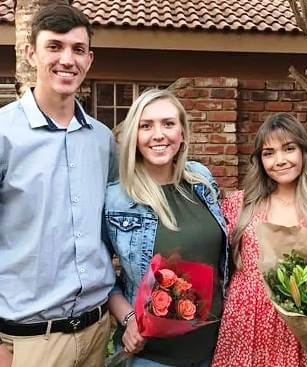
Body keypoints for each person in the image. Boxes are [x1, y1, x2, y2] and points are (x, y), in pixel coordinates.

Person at [0, 4, 117, 367]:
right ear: (30, 52)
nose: (67, 59)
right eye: (55, 46)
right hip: (31, 342)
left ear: (89, 59)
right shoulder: (3, 133)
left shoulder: (102, 140)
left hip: (98, 333)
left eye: (78, 50)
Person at [104, 89, 229, 367]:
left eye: (168, 124)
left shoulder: (202, 180)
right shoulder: (116, 198)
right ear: (135, 136)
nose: (158, 135)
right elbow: (98, 274)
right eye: (146, 126)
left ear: (182, 133)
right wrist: (127, 319)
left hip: (215, 349)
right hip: (151, 355)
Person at [212, 112, 307, 367]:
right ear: (260, 160)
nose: (280, 160)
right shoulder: (238, 205)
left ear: (304, 153)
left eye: (289, 149)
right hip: (242, 325)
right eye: (268, 153)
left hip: (297, 332)